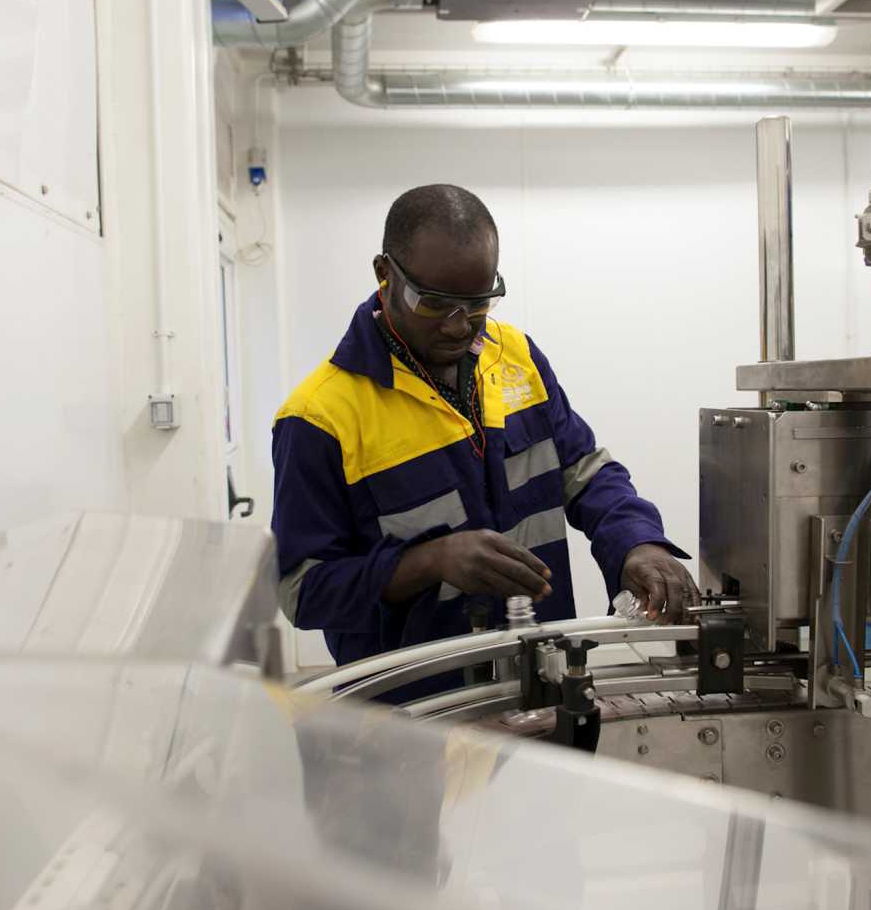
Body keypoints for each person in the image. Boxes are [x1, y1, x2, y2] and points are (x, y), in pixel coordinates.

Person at [271, 183, 697, 686]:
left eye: (477, 303)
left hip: (543, 680)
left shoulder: (514, 354)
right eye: (433, 303)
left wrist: (637, 544)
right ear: (385, 274)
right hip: (413, 712)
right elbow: (303, 591)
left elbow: (584, 472)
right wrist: (428, 563)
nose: (458, 326)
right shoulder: (320, 416)